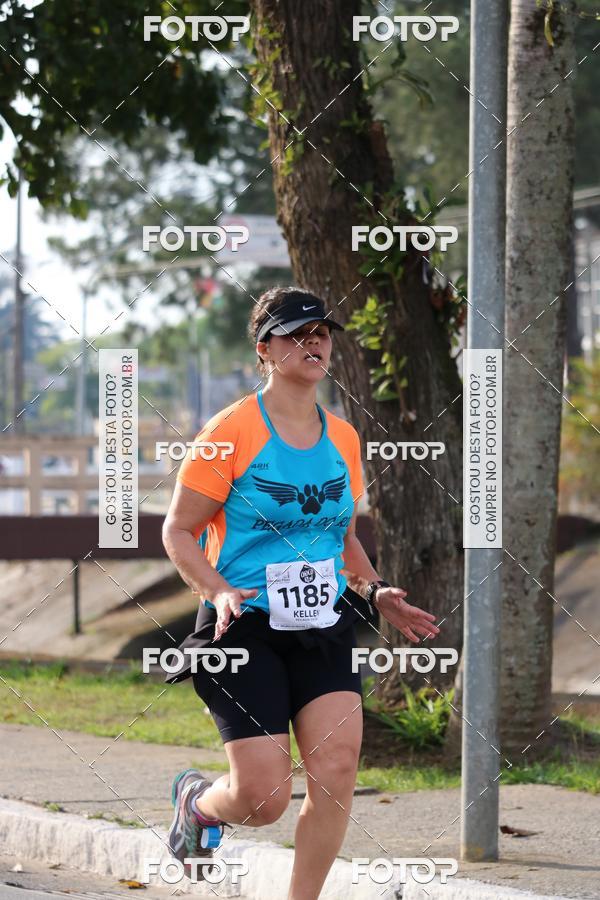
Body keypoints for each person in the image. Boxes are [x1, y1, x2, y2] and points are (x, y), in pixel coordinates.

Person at [161, 285, 441, 899]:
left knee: (337, 768)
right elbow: (178, 530)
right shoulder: (229, 431)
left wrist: (375, 590)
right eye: (297, 333)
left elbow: (338, 534)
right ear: (266, 349)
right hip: (244, 626)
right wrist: (218, 589)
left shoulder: (342, 437)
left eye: (321, 332)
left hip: (321, 621)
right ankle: (199, 807)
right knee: (263, 799)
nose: (314, 341)